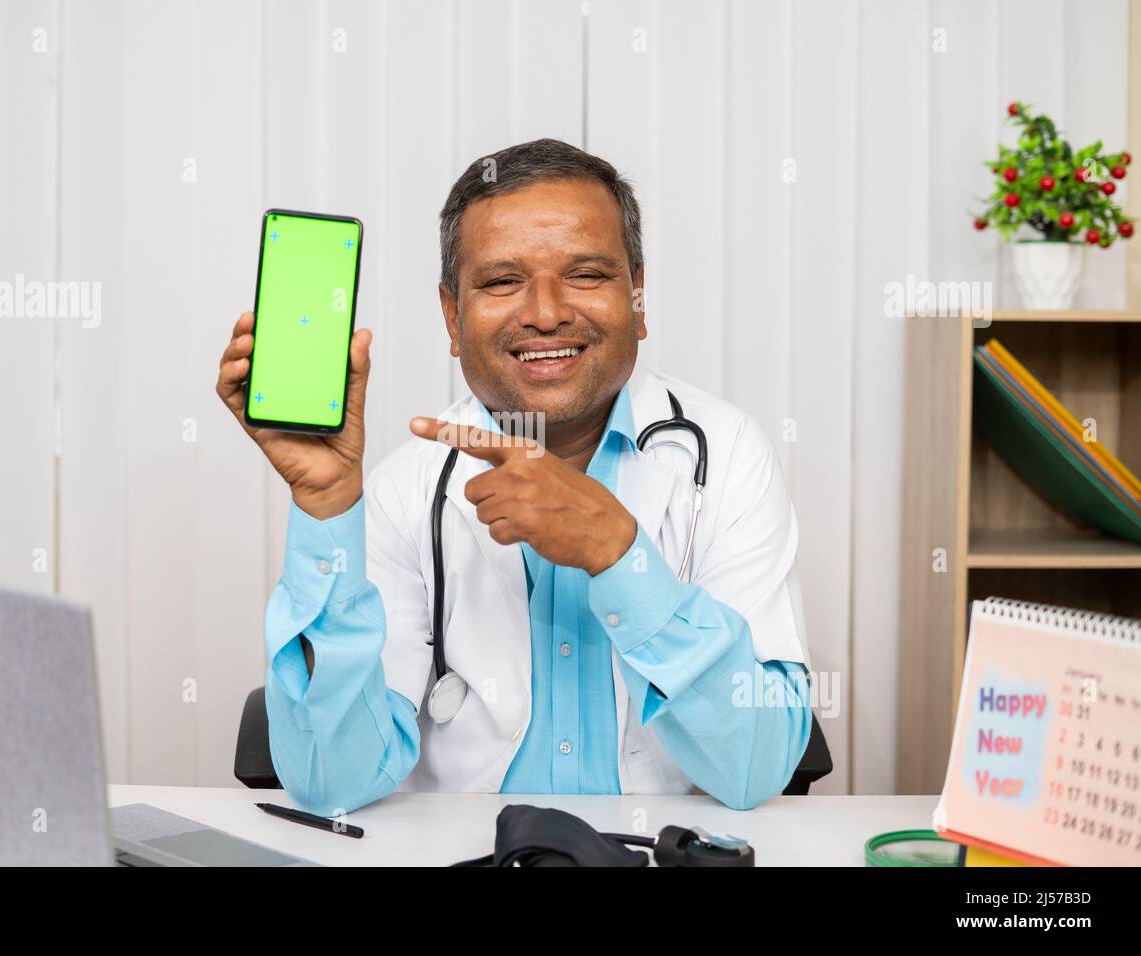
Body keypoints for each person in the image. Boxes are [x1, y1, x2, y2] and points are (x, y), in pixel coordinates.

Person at [216, 138, 811, 816]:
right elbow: (332, 783)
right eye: (502, 282)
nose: (547, 312)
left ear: (638, 299)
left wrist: (619, 554)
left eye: (586, 274)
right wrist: (325, 506)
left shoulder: (728, 454)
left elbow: (757, 766)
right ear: (452, 315)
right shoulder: (400, 489)